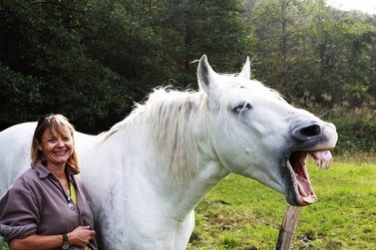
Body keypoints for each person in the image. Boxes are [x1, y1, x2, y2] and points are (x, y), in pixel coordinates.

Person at [0, 114, 97, 249]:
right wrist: (68, 238)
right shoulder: (25, 186)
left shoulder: (74, 179)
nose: (60, 145)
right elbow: (18, 244)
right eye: (52, 140)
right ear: (39, 145)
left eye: (65, 138)